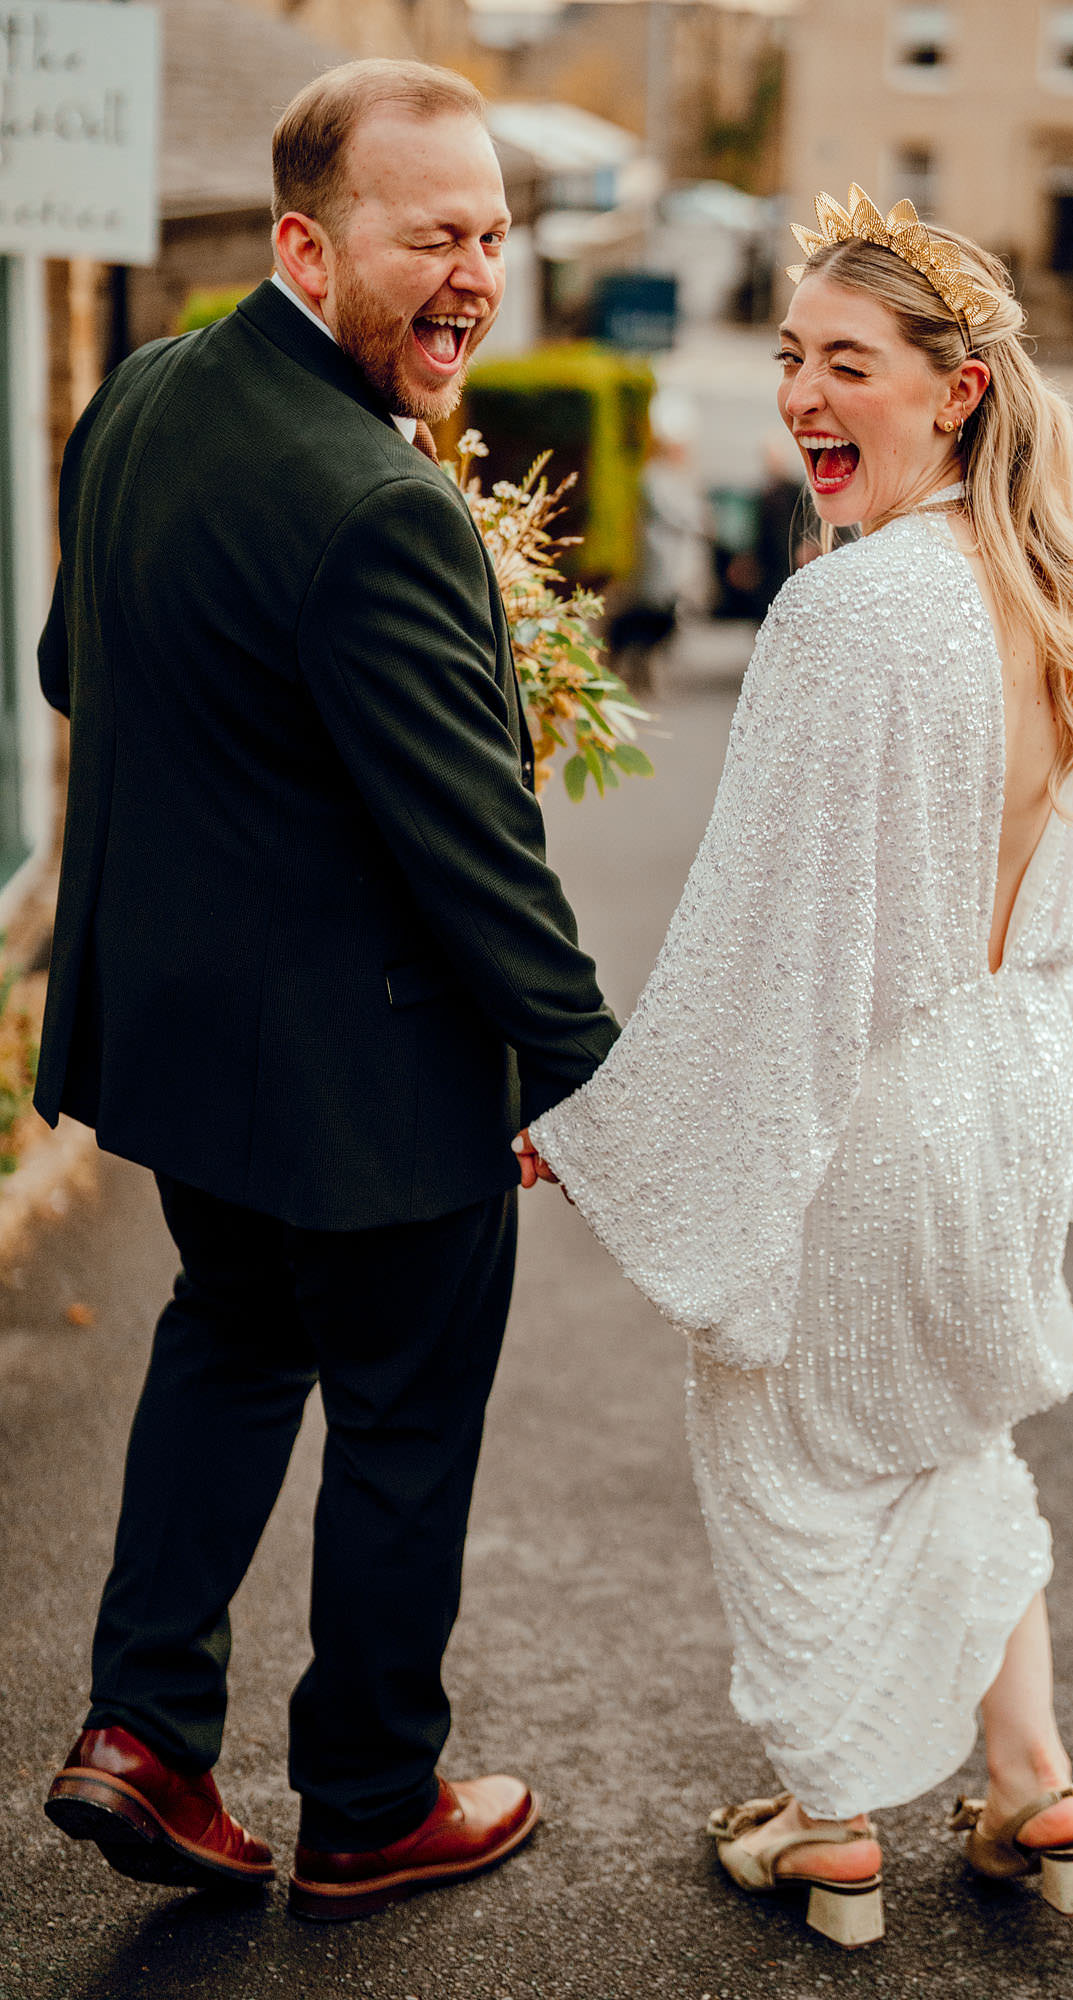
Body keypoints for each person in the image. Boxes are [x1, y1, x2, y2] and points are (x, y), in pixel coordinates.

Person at [518, 189, 1073, 1947]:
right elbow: (1061, 934)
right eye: (788, 355)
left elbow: (772, 953)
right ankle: (1035, 1790)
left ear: (951, 392)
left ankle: (828, 1825)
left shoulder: (852, 612)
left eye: (844, 363)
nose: (801, 393)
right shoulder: (1046, 592)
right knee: (948, 1441)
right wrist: (1049, 1152)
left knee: (786, 1436)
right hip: (1005, 1091)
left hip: (877, 1111)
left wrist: (599, 1125)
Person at [39, 60, 617, 1923]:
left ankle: (143, 1735)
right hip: (375, 1088)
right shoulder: (381, 505)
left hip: (186, 1061)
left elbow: (75, 667)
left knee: (224, 1340)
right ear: (308, 238)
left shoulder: (137, 399)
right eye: (433, 235)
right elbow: (478, 859)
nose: (476, 275)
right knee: (397, 1412)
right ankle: (371, 1799)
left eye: (494, 238)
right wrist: (588, 1085)